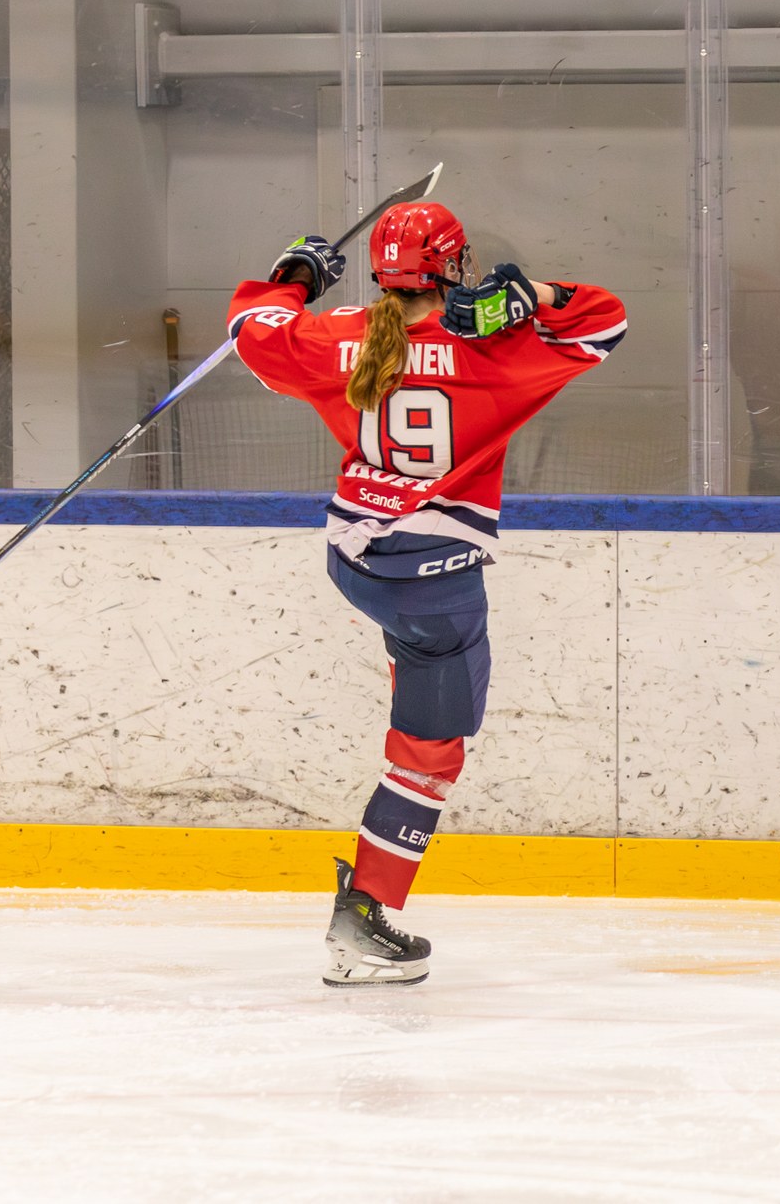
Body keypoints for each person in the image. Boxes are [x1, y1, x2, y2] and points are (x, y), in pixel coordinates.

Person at [228, 202, 626, 986]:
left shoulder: (336, 337)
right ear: (453, 266)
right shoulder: (495, 348)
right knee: (429, 751)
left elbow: (253, 330)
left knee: (415, 661)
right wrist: (533, 295)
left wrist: (294, 277)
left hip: (357, 562)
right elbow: (606, 321)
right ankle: (365, 912)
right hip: (433, 580)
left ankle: (405, 682)